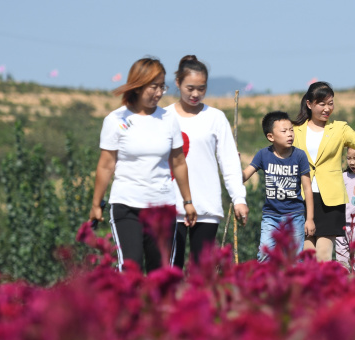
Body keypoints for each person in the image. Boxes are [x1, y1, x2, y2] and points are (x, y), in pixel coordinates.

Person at [89, 57, 197, 273]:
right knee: (131, 269)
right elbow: (106, 165)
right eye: (153, 86)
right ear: (138, 86)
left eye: (162, 86)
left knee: (160, 273)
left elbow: (178, 162)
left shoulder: (168, 119)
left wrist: (188, 201)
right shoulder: (116, 119)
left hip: (162, 207)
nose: (159, 93)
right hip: (126, 206)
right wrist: (96, 204)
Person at [292, 81, 355, 262]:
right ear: (309, 104)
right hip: (303, 197)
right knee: (306, 257)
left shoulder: (339, 128)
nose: (327, 108)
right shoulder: (296, 131)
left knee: (323, 256)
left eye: (330, 103)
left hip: (330, 199)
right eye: (322, 103)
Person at [165, 55, 248, 268]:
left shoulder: (216, 118)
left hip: (206, 207)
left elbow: (228, 161)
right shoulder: (163, 117)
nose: (195, 94)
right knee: (169, 270)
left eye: (201, 88)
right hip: (170, 206)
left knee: (202, 273)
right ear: (177, 83)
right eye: (190, 88)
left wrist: (238, 198)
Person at [242, 111, 314, 261]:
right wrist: (234, 164)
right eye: (284, 131)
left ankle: (295, 284)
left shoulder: (299, 156)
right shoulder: (263, 155)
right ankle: (265, 283)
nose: (290, 134)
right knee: (264, 255)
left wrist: (310, 219)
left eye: (291, 130)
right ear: (270, 137)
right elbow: (243, 176)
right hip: (271, 217)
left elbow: (307, 188)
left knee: (295, 258)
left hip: (295, 215)